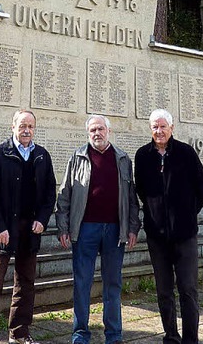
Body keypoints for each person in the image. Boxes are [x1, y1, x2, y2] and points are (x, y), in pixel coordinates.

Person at [56, 114, 140, 344]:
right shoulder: (78, 157)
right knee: (82, 283)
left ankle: (114, 335)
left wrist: (133, 228)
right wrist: (63, 227)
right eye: (93, 130)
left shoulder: (123, 159)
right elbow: (65, 195)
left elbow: (132, 199)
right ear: (88, 133)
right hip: (85, 230)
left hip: (115, 231)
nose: (97, 133)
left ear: (108, 131)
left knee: (113, 284)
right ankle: (80, 334)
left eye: (101, 129)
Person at [0, 109, 56, 344]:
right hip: (2, 231)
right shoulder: (0, 153)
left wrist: (42, 220)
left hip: (29, 232)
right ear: (13, 127)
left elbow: (49, 194)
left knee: (25, 284)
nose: (26, 130)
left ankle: (20, 333)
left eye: (30, 126)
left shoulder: (42, 155)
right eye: (22, 125)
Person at [134, 108, 203, 344]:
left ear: (172, 128)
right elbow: (141, 190)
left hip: (185, 235)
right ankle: (171, 336)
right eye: (155, 127)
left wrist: (186, 214)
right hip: (157, 237)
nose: (159, 131)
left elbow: (202, 187)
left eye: (163, 126)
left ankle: (190, 340)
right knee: (164, 291)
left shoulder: (186, 153)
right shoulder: (143, 156)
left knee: (188, 289)